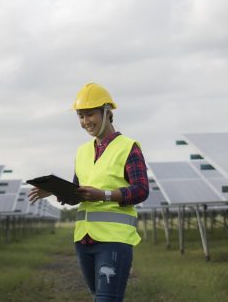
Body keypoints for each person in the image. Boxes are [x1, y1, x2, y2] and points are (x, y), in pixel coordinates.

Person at [29, 83, 149, 302]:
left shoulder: (128, 147)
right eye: (81, 116)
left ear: (107, 111)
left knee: (106, 299)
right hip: (84, 240)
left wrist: (103, 195)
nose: (85, 121)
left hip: (114, 239)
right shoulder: (82, 151)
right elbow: (78, 193)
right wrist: (55, 190)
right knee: (99, 297)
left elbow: (141, 190)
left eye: (90, 114)